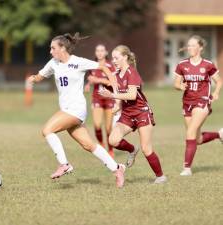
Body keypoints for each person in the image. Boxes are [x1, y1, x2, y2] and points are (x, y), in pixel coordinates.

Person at [27, 33, 126, 188]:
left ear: (63, 48)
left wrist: (115, 93)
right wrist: (33, 79)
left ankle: (64, 164)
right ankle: (117, 169)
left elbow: (104, 68)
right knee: (89, 145)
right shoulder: (53, 63)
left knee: (47, 130)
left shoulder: (77, 62)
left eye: (53, 48)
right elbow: (40, 76)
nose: (50, 51)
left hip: (76, 109)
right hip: (67, 110)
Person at [99, 45, 167, 184]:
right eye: (113, 58)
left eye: (116, 58)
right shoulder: (117, 75)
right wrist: (117, 106)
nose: (114, 61)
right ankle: (132, 149)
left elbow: (131, 94)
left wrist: (111, 95)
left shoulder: (132, 72)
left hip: (142, 113)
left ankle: (160, 177)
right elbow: (120, 97)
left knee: (146, 149)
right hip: (127, 114)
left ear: (125, 57)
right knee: (113, 140)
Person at [174, 35, 223, 176]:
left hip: (202, 102)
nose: (190, 47)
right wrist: (180, 87)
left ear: (200, 47)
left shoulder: (207, 64)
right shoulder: (182, 64)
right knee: (197, 139)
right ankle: (219, 134)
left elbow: (219, 81)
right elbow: (176, 83)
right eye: (188, 45)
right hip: (187, 103)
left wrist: (216, 92)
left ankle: (187, 168)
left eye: (193, 45)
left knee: (189, 133)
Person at [84, 44, 116, 157]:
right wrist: (88, 84)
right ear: (95, 52)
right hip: (97, 98)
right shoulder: (92, 65)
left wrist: (98, 80)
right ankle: (102, 145)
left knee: (108, 128)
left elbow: (113, 82)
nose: (100, 53)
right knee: (97, 125)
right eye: (97, 50)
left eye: (102, 50)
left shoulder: (111, 66)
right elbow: (90, 78)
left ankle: (110, 149)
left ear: (106, 52)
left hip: (109, 98)